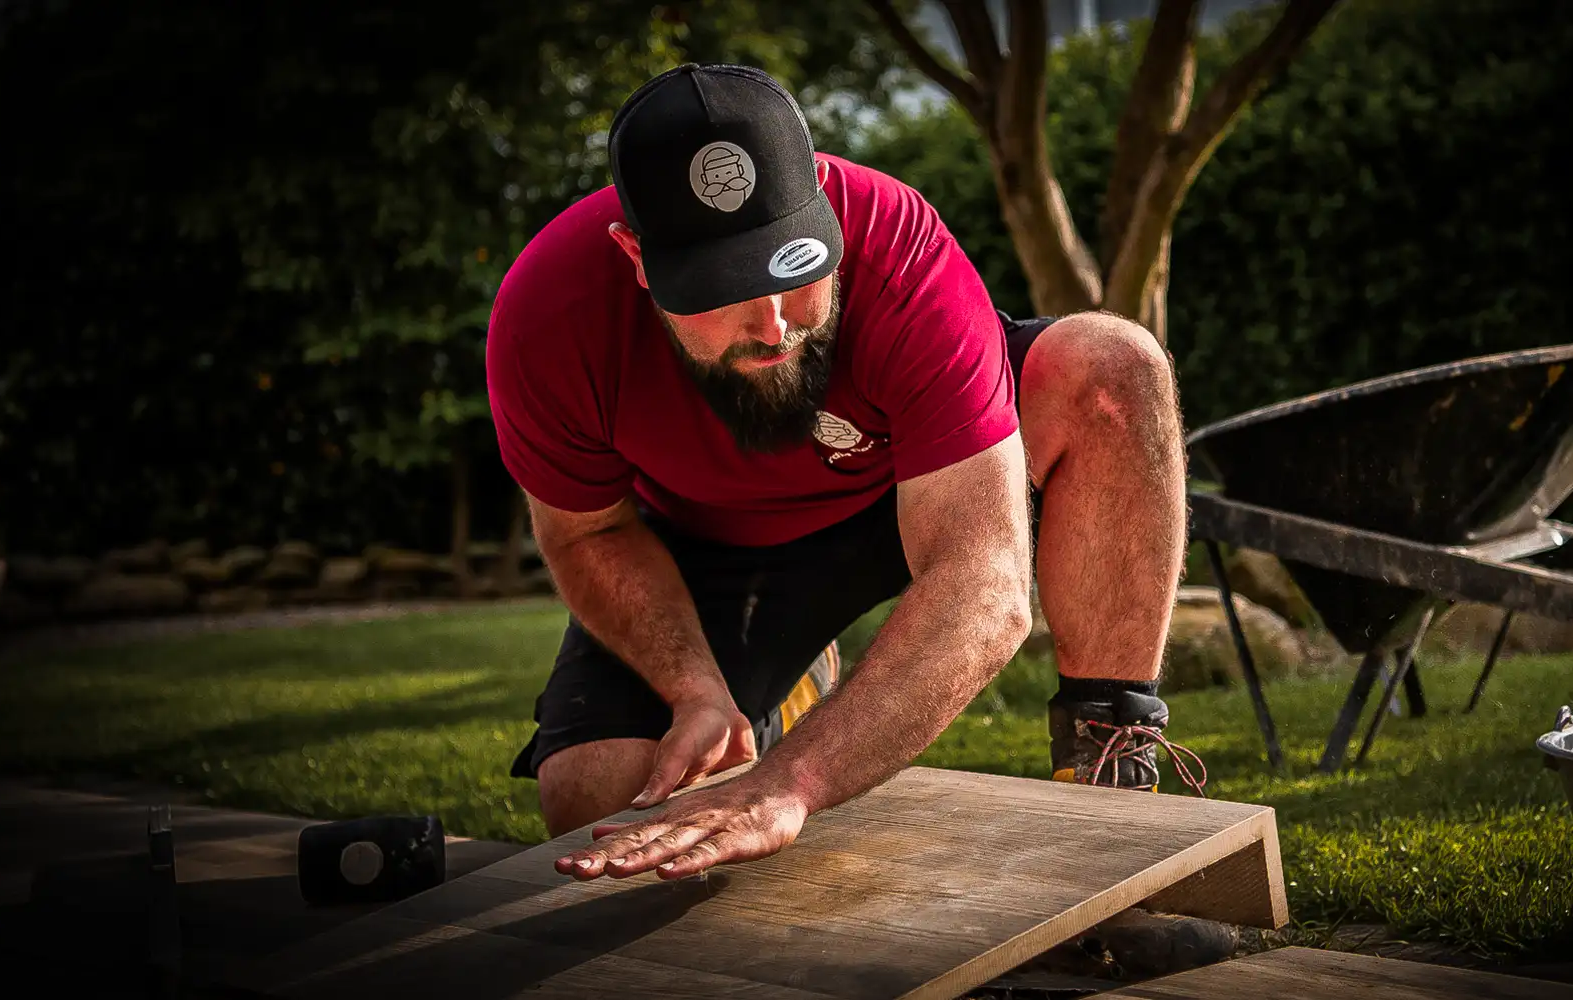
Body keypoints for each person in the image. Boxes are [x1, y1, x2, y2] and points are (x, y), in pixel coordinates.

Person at [484, 63, 1190, 884]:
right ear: (637, 259)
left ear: (820, 197)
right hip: (710, 544)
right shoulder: (549, 316)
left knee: (1111, 367)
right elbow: (590, 531)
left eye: (792, 262)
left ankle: (1109, 775)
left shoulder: (899, 247)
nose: (773, 321)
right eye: (722, 289)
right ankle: (772, 693)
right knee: (599, 804)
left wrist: (789, 784)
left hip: (910, 488)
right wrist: (693, 688)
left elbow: (988, 590)